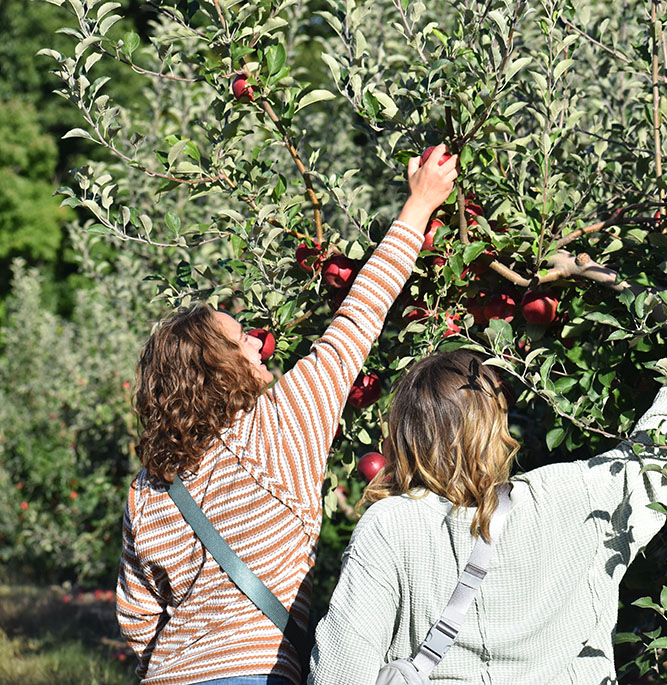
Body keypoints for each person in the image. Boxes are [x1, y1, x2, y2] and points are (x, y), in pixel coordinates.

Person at [117, 146, 458, 685]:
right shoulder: (281, 425)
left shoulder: (147, 488)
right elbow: (359, 315)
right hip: (256, 674)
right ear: (218, 366)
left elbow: (138, 622)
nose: (256, 340)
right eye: (239, 338)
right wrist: (417, 207)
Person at [308, 316, 667, 684]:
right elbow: (651, 457)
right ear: (494, 425)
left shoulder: (391, 526)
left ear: (405, 435)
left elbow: (341, 671)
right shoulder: (572, 496)